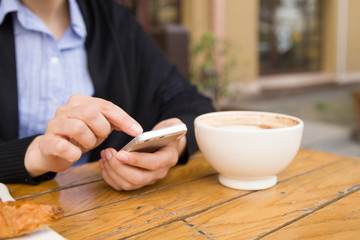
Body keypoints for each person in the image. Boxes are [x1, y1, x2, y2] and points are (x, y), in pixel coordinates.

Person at [0, 0, 215, 190]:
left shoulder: (115, 21)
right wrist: (34, 155)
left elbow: (194, 104)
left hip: (109, 211)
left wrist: (174, 144)